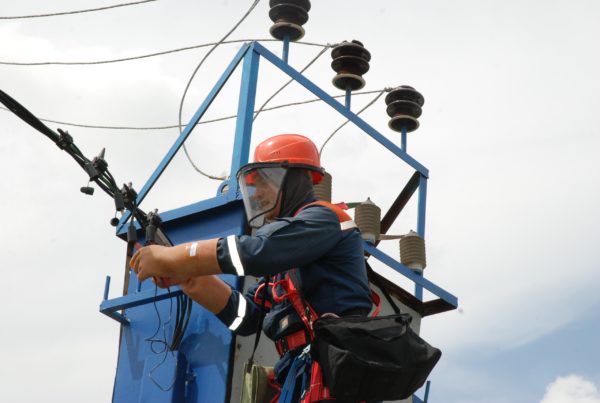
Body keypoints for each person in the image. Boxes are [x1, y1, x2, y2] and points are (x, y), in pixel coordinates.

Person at [131, 133, 373, 401]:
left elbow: (256, 252)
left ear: (290, 178)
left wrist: (171, 257)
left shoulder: (323, 219)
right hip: (303, 373)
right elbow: (248, 318)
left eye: (262, 183)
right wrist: (190, 279)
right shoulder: (287, 257)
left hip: (335, 373)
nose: (257, 194)